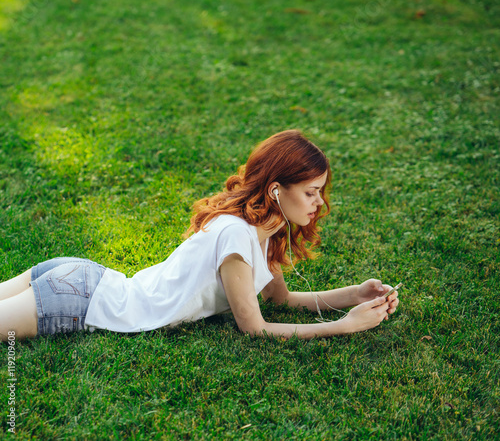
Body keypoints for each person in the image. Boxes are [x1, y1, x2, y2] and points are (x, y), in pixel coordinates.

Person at [0, 130, 399, 342]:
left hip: (83, 281)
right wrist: (343, 326)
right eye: (310, 192)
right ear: (277, 189)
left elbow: (282, 301)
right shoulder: (237, 238)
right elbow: (255, 328)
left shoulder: (267, 229)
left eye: (320, 192)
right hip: (83, 299)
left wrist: (353, 296)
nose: (317, 204)